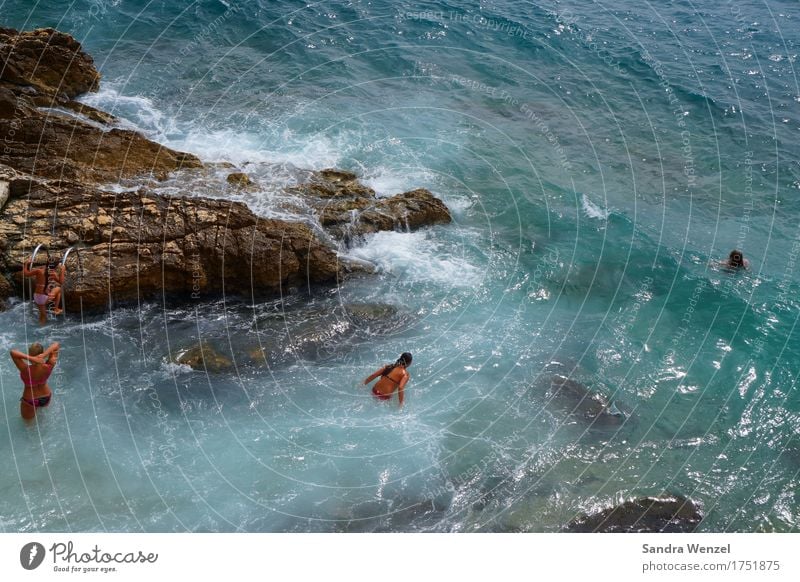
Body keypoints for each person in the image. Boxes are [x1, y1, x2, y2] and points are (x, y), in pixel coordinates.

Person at [10, 342, 60, 421]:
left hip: (30, 400)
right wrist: (44, 355)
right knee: (43, 420)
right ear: (42, 352)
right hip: (46, 397)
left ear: (29, 354)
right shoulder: (50, 364)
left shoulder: (25, 369)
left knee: (28, 425)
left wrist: (32, 358)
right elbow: (56, 345)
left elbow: (12, 352)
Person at [22, 257, 50, 325]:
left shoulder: (39, 271)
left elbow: (25, 274)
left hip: (38, 296)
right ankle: (42, 327)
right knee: (43, 314)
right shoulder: (52, 273)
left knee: (42, 314)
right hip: (45, 296)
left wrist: (26, 264)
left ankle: (41, 326)